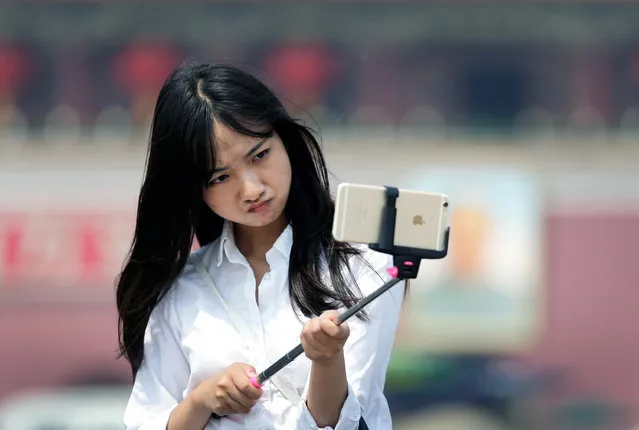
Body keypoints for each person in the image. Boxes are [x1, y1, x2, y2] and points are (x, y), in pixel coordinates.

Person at [115, 62, 405, 430]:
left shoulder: (364, 266)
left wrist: (327, 360)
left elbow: (349, 421)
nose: (251, 189)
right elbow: (146, 421)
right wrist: (202, 399)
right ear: (194, 189)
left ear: (285, 140)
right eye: (220, 176)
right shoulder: (179, 291)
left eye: (259, 155)